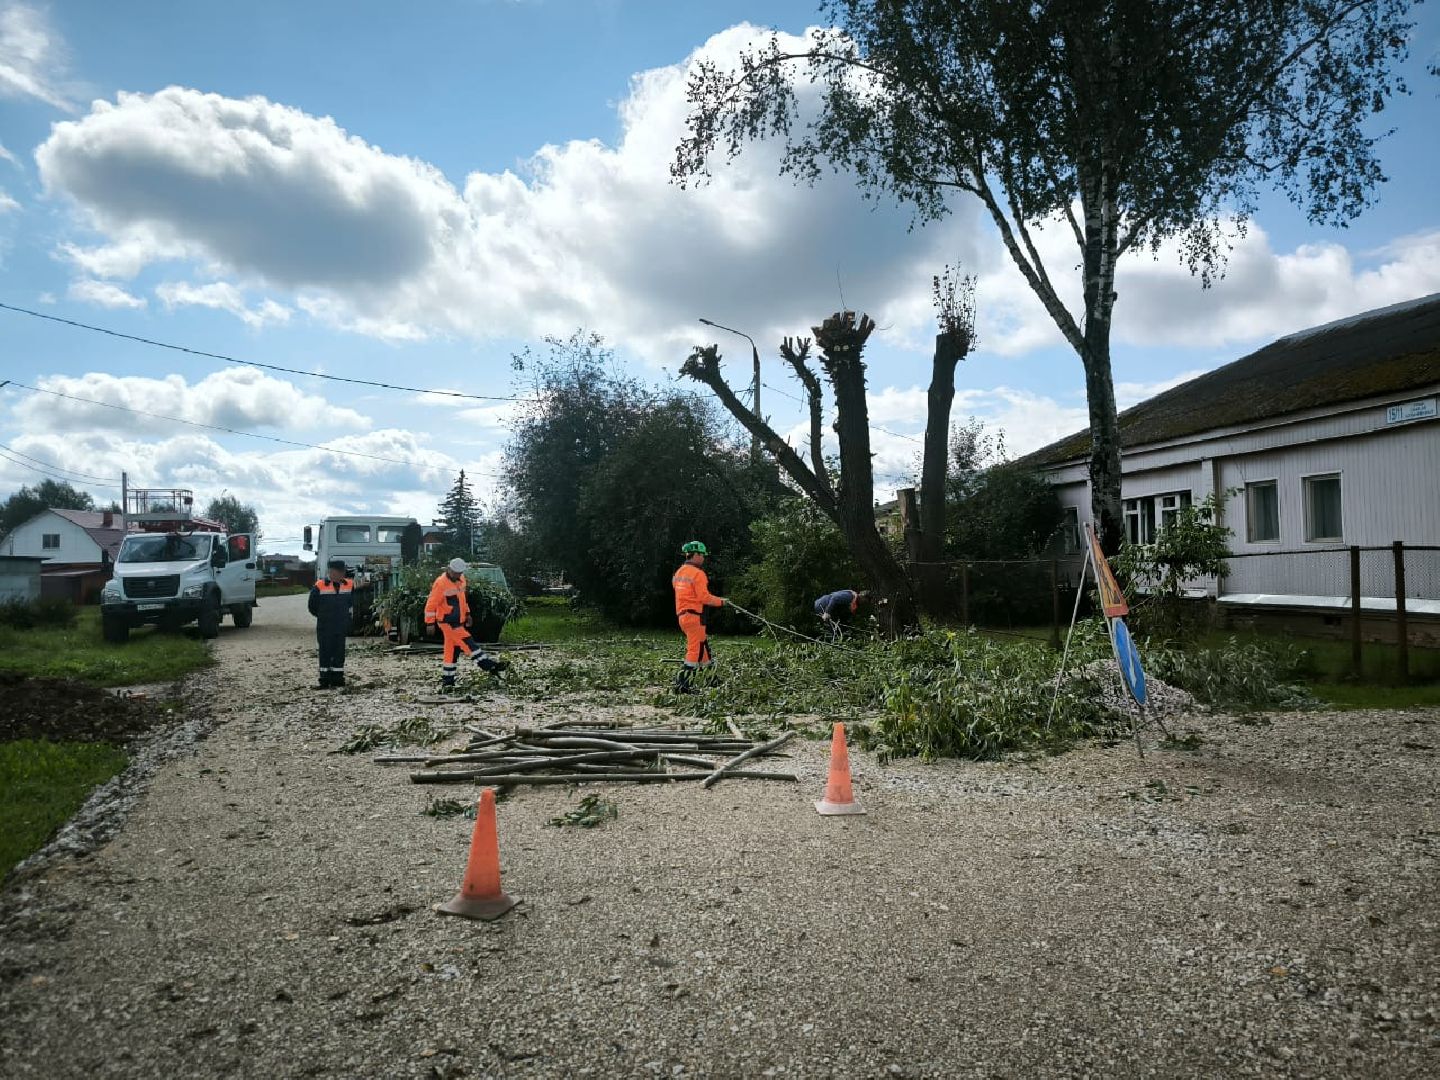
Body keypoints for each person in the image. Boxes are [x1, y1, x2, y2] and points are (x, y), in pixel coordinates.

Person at [425, 558, 509, 691]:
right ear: (449, 570)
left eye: (460, 573)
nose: (458, 575)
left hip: (458, 620)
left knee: (451, 651)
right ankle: (489, 665)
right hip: (447, 621)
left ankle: (448, 681)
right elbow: (431, 604)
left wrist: (468, 614)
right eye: (456, 573)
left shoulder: (462, 579)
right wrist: (429, 623)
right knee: (467, 641)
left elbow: (462, 600)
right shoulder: (440, 583)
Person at [672, 540, 726, 694]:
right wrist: (721, 602)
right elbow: (704, 598)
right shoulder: (698, 574)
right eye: (702, 555)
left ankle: (712, 680)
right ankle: (682, 685)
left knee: (704, 649)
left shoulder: (679, 572)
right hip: (695, 617)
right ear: (694, 555)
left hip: (683, 616)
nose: (703, 558)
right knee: (694, 652)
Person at [308, 559, 353, 690]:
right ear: (331, 572)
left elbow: (351, 602)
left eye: (343, 572)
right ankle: (324, 680)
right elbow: (312, 606)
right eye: (339, 572)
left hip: (341, 625)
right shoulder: (320, 586)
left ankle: (338, 679)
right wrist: (323, 617)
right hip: (325, 626)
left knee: (339, 652)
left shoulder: (348, 585)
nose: (342, 574)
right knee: (325, 652)